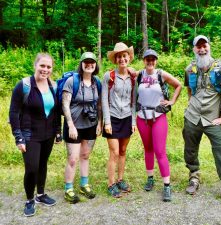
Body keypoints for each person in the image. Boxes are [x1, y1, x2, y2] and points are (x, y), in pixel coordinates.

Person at [182, 35, 221, 206]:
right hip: (192, 117)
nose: (202, 49)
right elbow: (190, 90)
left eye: (204, 46)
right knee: (190, 148)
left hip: (212, 118)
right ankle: (194, 177)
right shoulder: (189, 69)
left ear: (209, 47)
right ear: (194, 49)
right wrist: (191, 106)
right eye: (198, 47)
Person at [9, 53, 61, 217]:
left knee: (43, 164)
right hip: (29, 134)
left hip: (48, 134)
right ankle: (30, 199)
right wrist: (18, 137)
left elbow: (56, 111)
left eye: (49, 67)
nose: (45, 69)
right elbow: (13, 112)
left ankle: (40, 194)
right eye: (42, 66)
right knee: (31, 168)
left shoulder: (53, 85)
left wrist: (58, 132)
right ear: (35, 66)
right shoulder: (23, 85)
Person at [136, 49, 182, 202]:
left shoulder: (161, 74)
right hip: (142, 117)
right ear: (144, 60)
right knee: (148, 149)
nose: (150, 61)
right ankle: (150, 178)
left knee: (160, 151)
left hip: (158, 117)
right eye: (147, 59)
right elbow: (125, 72)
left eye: (153, 59)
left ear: (156, 61)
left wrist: (172, 101)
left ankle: (167, 186)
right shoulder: (139, 75)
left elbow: (178, 85)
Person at [62, 52, 102, 204]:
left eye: (92, 62)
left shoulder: (96, 82)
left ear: (95, 65)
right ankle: (68, 188)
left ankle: (84, 185)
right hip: (74, 125)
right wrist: (70, 125)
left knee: (85, 156)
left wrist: (99, 123)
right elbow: (65, 104)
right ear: (81, 64)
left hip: (90, 125)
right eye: (86, 62)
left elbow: (99, 105)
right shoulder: (72, 81)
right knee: (73, 158)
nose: (89, 64)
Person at [102, 42, 136, 198]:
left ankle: (121, 179)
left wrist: (134, 122)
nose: (122, 59)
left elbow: (134, 101)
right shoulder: (109, 76)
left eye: (124, 56)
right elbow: (104, 100)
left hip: (127, 118)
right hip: (113, 118)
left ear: (129, 57)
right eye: (119, 57)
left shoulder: (133, 77)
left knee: (123, 151)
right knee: (114, 152)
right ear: (115, 60)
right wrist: (107, 122)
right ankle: (111, 183)